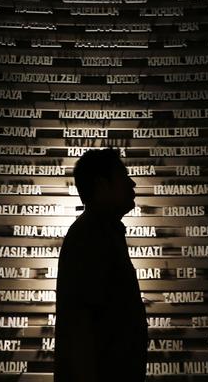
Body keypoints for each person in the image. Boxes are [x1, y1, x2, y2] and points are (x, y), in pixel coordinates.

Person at [54, 148, 148, 382]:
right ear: (102, 185)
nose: (132, 183)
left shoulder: (102, 232)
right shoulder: (90, 237)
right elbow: (81, 329)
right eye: (124, 176)